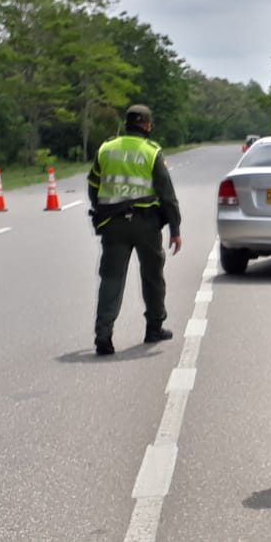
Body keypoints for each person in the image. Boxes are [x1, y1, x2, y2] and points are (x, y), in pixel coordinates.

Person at [88, 105, 182, 356]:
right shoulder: (151, 153)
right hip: (146, 224)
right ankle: (154, 326)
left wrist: (100, 211)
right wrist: (175, 228)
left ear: (126, 123)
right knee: (152, 275)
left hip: (113, 224)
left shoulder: (106, 149)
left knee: (111, 279)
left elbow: (93, 185)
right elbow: (167, 194)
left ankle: (103, 336)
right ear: (148, 126)